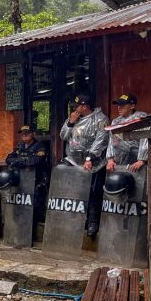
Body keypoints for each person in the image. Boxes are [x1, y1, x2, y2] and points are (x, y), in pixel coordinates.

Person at [59, 94, 109, 237]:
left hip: (94, 163)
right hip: (74, 162)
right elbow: (63, 136)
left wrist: (90, 158)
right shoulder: (74, 118)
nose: (74, 108)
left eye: (77, 106)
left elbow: (101, 140)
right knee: (75, 192)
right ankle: (75, 221)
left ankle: (92, 223)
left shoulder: (100, 119)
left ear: (85, 106)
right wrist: (70, 123)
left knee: (93, 193)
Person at [5, 125, 50, 221]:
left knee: (35, 206)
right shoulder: (19, 145)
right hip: (21, 179)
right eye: (22, 133)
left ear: (33, 134)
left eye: (27, 132)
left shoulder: (40, 145)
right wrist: (23, 162)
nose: (24, 135)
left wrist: (18, 161)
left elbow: (35, 161)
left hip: (36, 180)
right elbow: (8, 159)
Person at [106, 93, 149, 173]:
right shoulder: (115, 121)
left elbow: (146, 139)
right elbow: (111, 142)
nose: (119, 107)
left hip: (138, 162)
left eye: (122, 105)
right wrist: (110, 159)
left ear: (132, 106)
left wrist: (142, 160)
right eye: (118, 105)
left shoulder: (141, 118)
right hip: (118, 163)